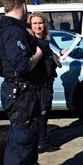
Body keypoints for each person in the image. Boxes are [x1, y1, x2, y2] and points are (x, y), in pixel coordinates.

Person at [0, 0, 44, 164]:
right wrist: (38, 54)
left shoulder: (0, 27)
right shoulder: (13, 31)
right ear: (24, 8)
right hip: (21, 93)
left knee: (24, 138)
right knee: (21, 143)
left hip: (15, 90)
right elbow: (23, 65)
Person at [28, 12, 62, 153]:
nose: (38, 26)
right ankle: (41, 143)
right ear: (30, 25)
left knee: (45, 111)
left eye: (40, 23)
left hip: (47, 82)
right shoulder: (31, 42)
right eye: (34, 23)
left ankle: (43, 140)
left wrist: (57, 57)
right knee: (40, 112)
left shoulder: (45, 41)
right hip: (38, 83)